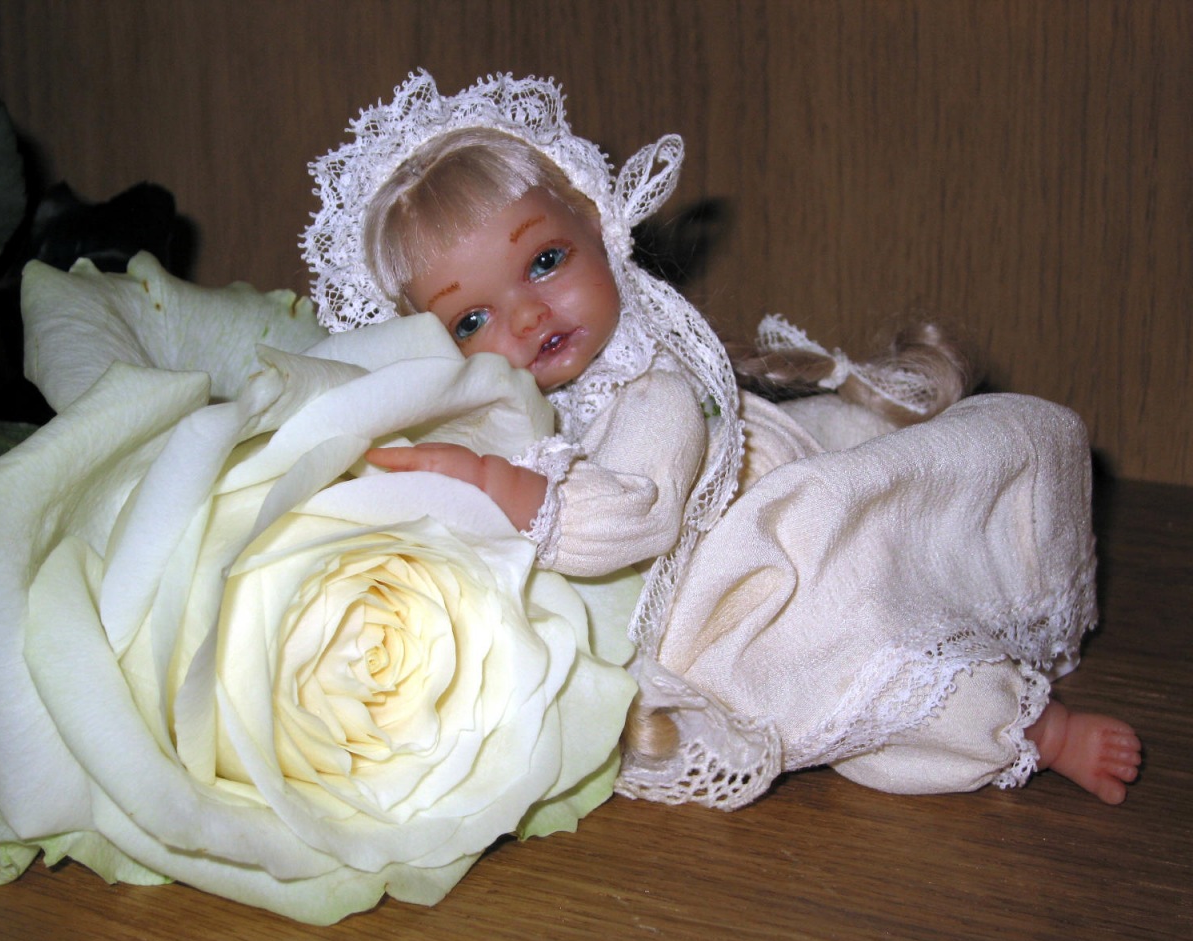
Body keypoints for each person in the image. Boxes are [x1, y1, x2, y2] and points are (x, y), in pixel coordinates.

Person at [302, 71, 1141, 810]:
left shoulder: (651, 389)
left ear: (598, 223)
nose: (525, 317)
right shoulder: (520, 411)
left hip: (749, 560)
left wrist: (502, 490)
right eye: (471, 320)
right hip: (675, 587)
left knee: (861, 632)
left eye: (546, 261)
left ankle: (1035, 729)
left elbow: (640, 515)